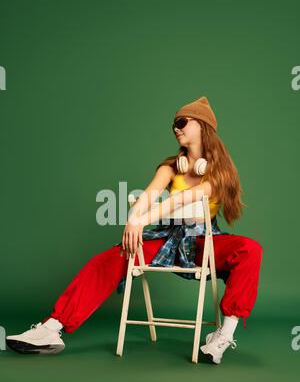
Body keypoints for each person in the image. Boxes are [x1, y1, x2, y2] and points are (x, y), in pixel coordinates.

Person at [6, 96, 263, 364]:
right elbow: (149, 196)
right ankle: (51, 328)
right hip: (167, 240)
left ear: (202, 126)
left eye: (182, 122)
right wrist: (134, 218)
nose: (176, 128)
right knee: (107, 260)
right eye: (174, 123)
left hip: (203, 242)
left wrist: (141, 221)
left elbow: (181, 201)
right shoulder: (171, 167)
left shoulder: (219, 173)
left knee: (250, 250)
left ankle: (223, 335)